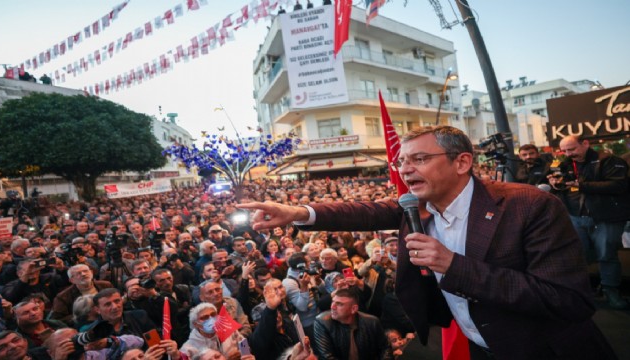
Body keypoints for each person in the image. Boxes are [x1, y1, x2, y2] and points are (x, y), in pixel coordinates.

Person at [239, 125, 616, 359]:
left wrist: (454, 266)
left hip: (548, 350)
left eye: (419, 158)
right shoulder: (415, 207)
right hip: (481, 347)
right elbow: (363, 212)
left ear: (462, 162)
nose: (404, 170)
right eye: (402, 161)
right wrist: (297, 212)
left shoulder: (529, 206)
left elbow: (569, 300)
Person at [549, 135, 630, 310]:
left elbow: (619, 186)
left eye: (572, 149)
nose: (569, 153)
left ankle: (611, 291)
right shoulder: (565, 163)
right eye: (565, 150)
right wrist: (554, 183)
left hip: (607, 216)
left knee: (606, 254)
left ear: (585, 143)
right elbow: (559, 181)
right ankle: (583, 291)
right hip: (575, 215)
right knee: (577, 256)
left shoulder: (608, 160)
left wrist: (580, 185)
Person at [313, 288, 388, 359]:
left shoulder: (372, 322)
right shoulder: (322, 322)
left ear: (354, 309)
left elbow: (385, 348)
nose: (332, 307)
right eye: (333, 302)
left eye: (339, 304)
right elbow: (327, 357)